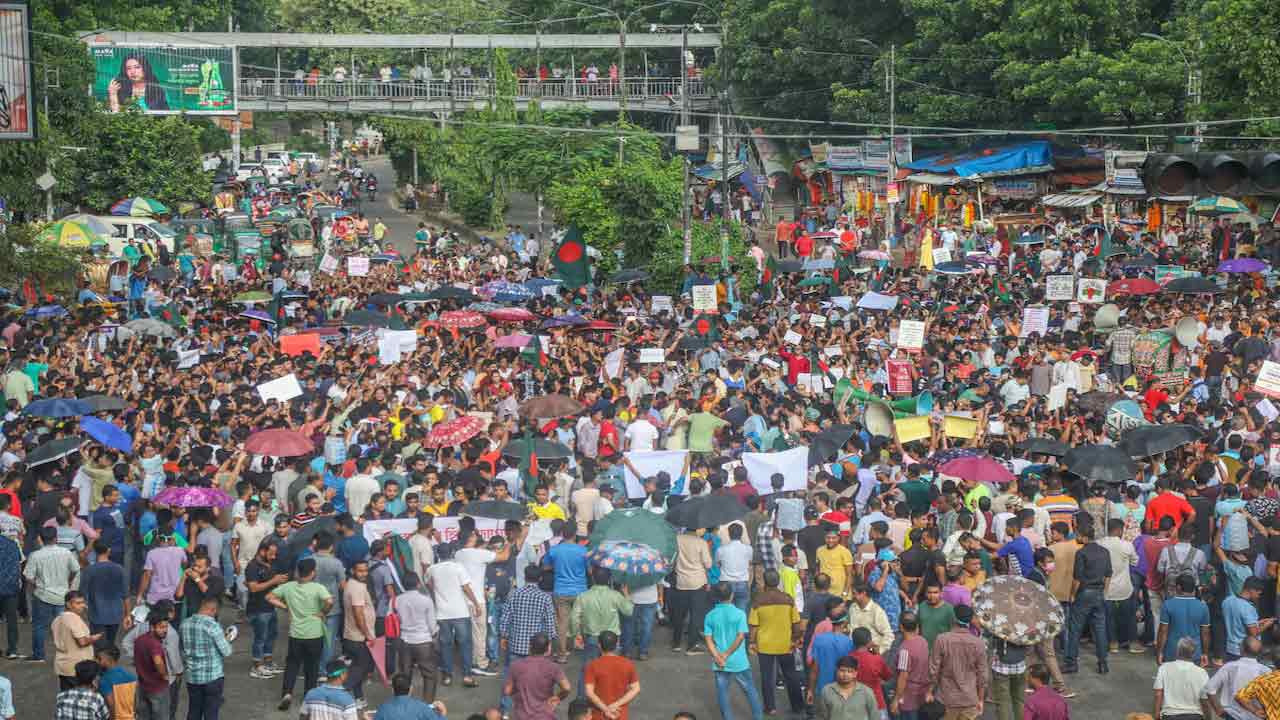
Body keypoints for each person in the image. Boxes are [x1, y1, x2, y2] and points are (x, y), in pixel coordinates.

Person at [267, 556, 334, 710]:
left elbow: (269, 597)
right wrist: (323, 612)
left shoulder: (289, 587)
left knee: (292, 664)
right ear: (312, 573)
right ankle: (309, 697)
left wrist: (285, 607)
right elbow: (330, 601)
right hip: (314, 633)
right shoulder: (318, 588)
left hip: (296, 633)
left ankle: (287, 693)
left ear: (298, 572)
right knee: (312, 666)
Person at [703, 582, 764, 720]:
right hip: (739, 661)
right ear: (731, 595)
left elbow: (708, 640)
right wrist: (727, 654)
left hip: (720, 663)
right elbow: (741, 636)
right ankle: (758, 717)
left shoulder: (710, 615)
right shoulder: (740, 614)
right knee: (750, 690)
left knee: (722, 694)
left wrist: (718, 656)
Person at [747, 569, 804, 716]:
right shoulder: (788, 599)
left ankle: (770, 707)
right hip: (786, 644)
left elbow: (754, 626)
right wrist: (795, 639)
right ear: (778, 582)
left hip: (765, 645)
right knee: (791, 675)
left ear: (765, 582)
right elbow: (796, 622)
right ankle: (798, 706)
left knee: (767, 677)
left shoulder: (758, 601)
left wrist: (752, 643)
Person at [25, 525, 81, 662]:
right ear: (56, 538)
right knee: (64, 627)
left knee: (39, 626)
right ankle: (67, 653)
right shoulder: (66, 552)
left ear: (41, 539)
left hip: (43, 595)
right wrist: (68, 581)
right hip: (62, 595)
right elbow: (75, 569)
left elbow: (28, 576)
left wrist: (37, 585)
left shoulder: (35, 555)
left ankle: (39, 655)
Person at [1062, 523, 1111, 674]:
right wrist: (1105, 592)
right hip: (1099, 592)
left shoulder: (1081, 553)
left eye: (1078, 535)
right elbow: (1108, 574)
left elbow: (1077, 579)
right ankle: (1103, 663)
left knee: (1075, 628)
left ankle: (1071, 663)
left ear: (1083, 537)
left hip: (1084, 592)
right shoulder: (1104, 552)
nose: (1076, 538)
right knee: (1100, 629)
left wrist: (1072, 595)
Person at [927, 604, 987, 719]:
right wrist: (980, 699)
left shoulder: (942, 639)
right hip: (970, 699)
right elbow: (982, 675)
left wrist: (929, 691)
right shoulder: (978, 643)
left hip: (947, 699)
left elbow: (933, 670)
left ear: (954, 619)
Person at [179, 595, 233, 720]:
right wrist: (227, 639)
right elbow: (226, 651)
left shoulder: (184, 624)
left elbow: (182, 650)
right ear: (214, 610)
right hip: (212, 677)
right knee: (211, 713)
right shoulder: (212, 626)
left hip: (192, 677)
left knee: (194, 711)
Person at [245, 541, 288, 679]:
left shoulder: (270, 565)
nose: (274, 557)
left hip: (270, 607)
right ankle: (256, 666)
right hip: (257, 609)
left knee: (272, 634)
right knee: (260, 637)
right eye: (271, 554)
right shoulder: (252, 567)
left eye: (275, 554)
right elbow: (253, 587)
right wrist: (273, 581)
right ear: (262, 551)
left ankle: (268, 662)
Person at [504, 632, 571, 720]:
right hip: (545, 715)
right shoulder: (553, 667)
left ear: (530, 647)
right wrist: (557, 698)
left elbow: (507, 691)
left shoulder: (516, 665)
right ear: (548, 649)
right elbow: (567, 688)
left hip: (522, 715)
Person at [397, 571, 440, 704]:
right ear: (417, 584)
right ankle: (427, 706)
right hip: (423, 641)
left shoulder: (396, 600)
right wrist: (435, 635)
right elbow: (432, 625)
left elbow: (393, 620)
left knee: (405, 675)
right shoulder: (426, 600)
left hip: (404, 640)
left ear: (403, 585)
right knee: (429, 675)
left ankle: (404, 704)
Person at [1205, 635, 1267, 720]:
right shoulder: (1265, 671)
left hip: (1233, 716)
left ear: (1242, 649)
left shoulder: (1230, 667)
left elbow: (1209, 688)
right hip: (1257, 717)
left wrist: (1218, 709)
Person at [583, 630, 640, 720]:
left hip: (599, 715)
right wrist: (616, 705)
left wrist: (605, 709)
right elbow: (636, 688)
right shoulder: (627, 664)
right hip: (619, 713)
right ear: (617, 645)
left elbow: (589, 692)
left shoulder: (593, 665)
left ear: (599, 645)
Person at [52, 591, 102, 690]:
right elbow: (82, 642)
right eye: (78, 603)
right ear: (68, 604)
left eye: (83, 602)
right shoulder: (73, 619)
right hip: (77, 667)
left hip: (62, 665)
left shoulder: (57, 619)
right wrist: (93, 638)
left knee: (67, 696)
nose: (82, 606)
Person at [1153, 637, 1210, 720]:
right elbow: (1205, 700)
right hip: (1195, 716)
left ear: (1177, 651)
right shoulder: (1202, 673)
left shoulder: (1164, 668)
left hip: (1169, 716)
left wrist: (1156, 715)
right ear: (1193, 654)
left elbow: (1158, 694)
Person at [134, 608, 172, 720]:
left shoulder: (139, 640)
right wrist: (165, 675)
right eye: (161, 627)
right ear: (152, 627)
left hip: (143, 686)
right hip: (158, 688)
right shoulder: (155, 644)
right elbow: (158, 661)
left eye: (166, 627)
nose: (165, 630)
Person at [814, 656, 878, 720]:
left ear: (855, 674)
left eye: (850, 671)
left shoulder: (866, 692)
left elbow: (875, 716)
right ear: (837, 671)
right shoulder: (827, 691)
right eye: (842, 670)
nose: (845, 674)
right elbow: (821, 716)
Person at [373, 673, 448, 720]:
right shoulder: (422, 707)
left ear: (392, 689)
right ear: (411, 688)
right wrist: (443, 712)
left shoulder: (383, 709)